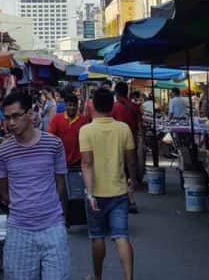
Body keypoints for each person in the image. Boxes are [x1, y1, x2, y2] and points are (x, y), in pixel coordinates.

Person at [0, 91, 71, 280]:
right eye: (7, 118)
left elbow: (60, 184)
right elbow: (3, 192)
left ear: (30, 114)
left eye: (16, 116)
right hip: (19, 231)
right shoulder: (2, 153)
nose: (11, 123)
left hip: (52, 228)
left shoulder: (53, 144)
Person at [80, 87, 141, 280]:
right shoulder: (123, 128)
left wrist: (90, 193)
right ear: (112, 106)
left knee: (97, 237)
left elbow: (87, 163)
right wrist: (133, 181)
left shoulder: (86, 130)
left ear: (93, 105)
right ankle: (128, 277)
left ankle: (98, 277)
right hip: (119, 191)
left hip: (96, 193)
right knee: (121, 235)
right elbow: (131, 160)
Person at [112, 82, 142, 214]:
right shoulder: (135, 107)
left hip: (117, 145)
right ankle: (131, 199)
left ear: (117, 93)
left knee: (120, 172)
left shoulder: (114, 107)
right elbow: (140, 127)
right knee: (129, 172)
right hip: (132, 143)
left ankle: (126, 200)